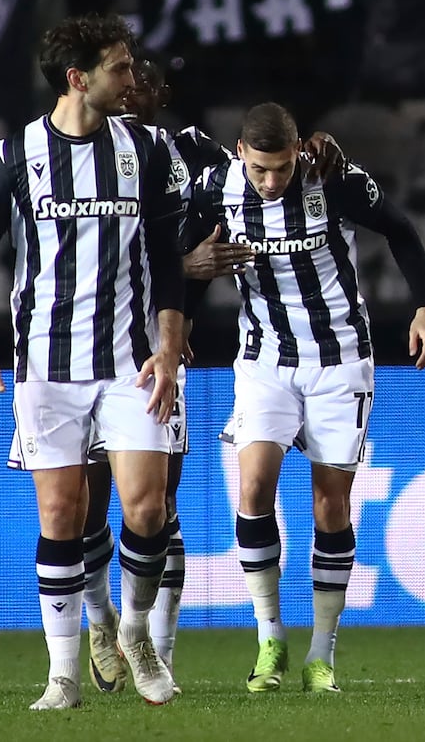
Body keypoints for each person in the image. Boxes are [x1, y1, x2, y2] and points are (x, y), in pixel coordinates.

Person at [71, 54, 348, 695]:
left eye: (142, 86)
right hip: (76, 348)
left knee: (157, 506)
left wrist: (321, 150)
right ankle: (96, 623)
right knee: (81, 506)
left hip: (153, 351)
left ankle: (154, 650)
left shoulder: (191, 156)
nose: (130, 95)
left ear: (161, 94)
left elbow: (228, 214)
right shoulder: (59, 151)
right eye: (122, 83)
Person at [0, 14, 187, 711]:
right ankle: (62, 676)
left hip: (130, 361)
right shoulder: (11, 155)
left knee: (148, 506)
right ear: (77, 78)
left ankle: (137, 632)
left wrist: (171, 344)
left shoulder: (145, 149)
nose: (131, 77)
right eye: (119, 67)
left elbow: (170, 261)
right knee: (61, 513)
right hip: (47, 367)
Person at [185, 102, 425, 694]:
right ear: (240, 154)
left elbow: (401, 229)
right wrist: (179, 333)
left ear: (299, 150)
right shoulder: (215, 188)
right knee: (253, 486)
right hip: (265, 359)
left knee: (331, 506)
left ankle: (321, 653)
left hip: (339, 358)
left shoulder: (334, 177)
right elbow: (193, 263)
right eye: (259, 171)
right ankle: (269, 638)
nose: (270, 182)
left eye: (280, 169)